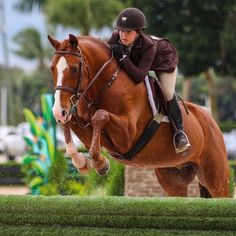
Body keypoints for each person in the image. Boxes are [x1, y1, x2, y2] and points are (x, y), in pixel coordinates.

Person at [107, 7, 190, 153]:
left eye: (128, 32)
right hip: (139, 63)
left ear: (138, 32)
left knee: (167, 93)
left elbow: (139, 76)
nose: (123, 35)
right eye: (121, 31)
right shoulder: (115, 37)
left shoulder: (148, 46)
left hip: (164, 59)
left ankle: (180, 133)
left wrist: (123, 57)